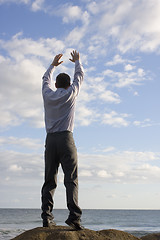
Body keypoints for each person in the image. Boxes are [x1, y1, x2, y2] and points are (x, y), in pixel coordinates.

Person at [41, 50, 84, 230]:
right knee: (71, 179)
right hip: (66, 138)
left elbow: (44, 79)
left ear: (56, 84)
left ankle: (46, 217)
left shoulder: (47, 94)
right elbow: (79, 77)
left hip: (50, 140)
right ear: (67, 86)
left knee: (50, 179)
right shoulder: (71, 93)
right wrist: (77, 62)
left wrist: (52, 65)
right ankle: (74, 217)